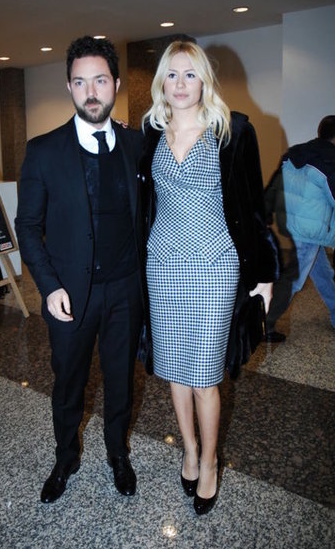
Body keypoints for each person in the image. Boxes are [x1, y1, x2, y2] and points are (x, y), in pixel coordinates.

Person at [140, 41, 276, 515]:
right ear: (161, 81)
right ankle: (191, 451)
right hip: (162, 266)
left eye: (190, 74)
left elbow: (254, 208)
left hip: (214, 266)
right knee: (173, 370)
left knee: (203, 376)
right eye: (172, 74)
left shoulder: (232, 131)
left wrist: (263, 275)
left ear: (205, 81)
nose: (180, 84)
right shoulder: (149, 133)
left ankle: (211, 462)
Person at [15, 36, 144, 503]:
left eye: (100, 81)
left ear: (115, 85)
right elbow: (27, 226)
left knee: (120, 380)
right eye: (80, 82)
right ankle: (65, 457)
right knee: (68, 383)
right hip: (69, 294)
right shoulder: (44, 151)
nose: (91, 92)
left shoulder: (136, 144)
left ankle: (118, 453)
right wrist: (49, 287)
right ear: (69, 86)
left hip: (125, 289)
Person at [264, 115, 335, 341]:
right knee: (292, 281)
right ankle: (264, 325)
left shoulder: (295, 152)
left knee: (324, 275)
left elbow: (275, 183)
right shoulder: (330, 159)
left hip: (296, 225)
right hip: (310, 230)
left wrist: (265, 212)